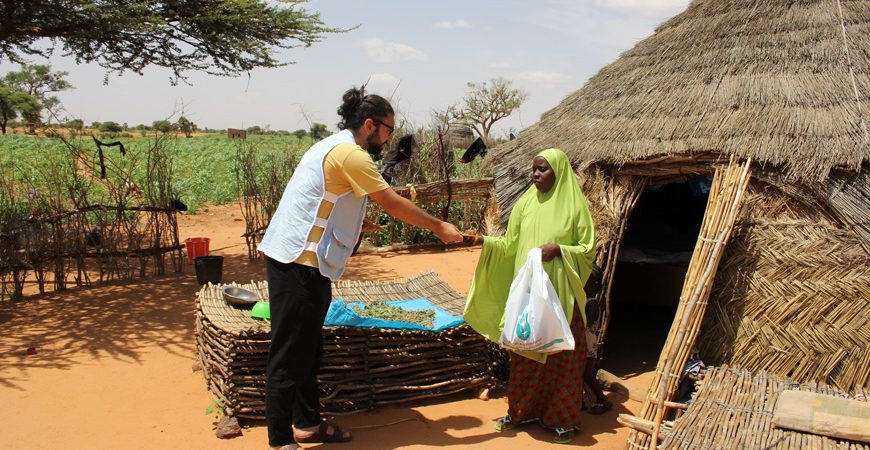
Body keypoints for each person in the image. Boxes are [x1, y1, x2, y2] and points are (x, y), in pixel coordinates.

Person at [258, 86, 463, 450]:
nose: (389, 139)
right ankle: (279, 440)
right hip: (297, 263)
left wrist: (355, 225)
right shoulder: (352, 155)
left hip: (304, 260)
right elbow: (393, 204)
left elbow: (326, 198)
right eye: (387, 131)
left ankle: (306, 424)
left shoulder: (331, 146)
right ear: (370, 125)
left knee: (308, 349)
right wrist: (440, 227)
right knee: (289, 352)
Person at [464, 148, 596, 444]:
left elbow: (588, 250)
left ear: (558, 172)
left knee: (562, 360)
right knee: (523, 355)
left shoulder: (575, 208)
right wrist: (483, 240)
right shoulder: (525, 203)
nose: (535, 175)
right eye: (533, 170)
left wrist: (561, 250)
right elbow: (511, 244)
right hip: (528, 297)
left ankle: (562, 420)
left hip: (561, 298)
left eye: (542, 170)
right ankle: (520, 412)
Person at [581, 264, 612, 415]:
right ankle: (583, 400)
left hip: (588, 345)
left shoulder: (591, 303)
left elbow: (587, 322)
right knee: (580, 373)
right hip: (583, 344)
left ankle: (603, 399)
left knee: (586, 374)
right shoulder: (584, 300)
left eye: (585, 280)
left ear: (594, 286)